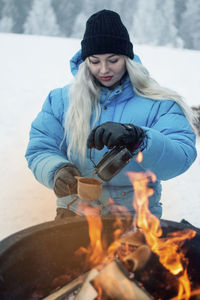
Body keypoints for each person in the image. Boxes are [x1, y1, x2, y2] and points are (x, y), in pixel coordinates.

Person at [25, 9, 197, 220]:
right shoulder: (61, 100)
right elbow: (41, 148)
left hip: (135, 217)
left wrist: (140, 138)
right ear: (85, 61)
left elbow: (180, 158)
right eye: (95, 61)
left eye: (113, 60)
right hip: (75, 213)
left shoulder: (159, 103)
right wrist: (56, 170)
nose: (104, 69)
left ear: (127, 58)